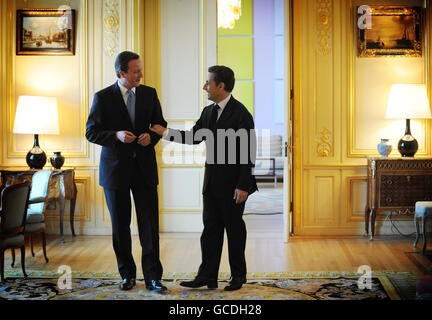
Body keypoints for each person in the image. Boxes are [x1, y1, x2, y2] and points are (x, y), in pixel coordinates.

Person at [151, 65, 257, 291]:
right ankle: (207, 276)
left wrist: (243, 185)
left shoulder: (241, 114)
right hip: (211, 183)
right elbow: (193, 138)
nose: (204, 87)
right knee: (210, 231)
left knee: (234, 230)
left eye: (208, 83)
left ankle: (238, 276)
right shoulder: (208, 112)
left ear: (221, 86)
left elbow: (249, 152)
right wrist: (165, 132)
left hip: (234, 185)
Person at [86, 51, 167, 292]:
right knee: (120, 227)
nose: (141, 74)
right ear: (122, 73)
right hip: (115, 172)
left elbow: (161, 124)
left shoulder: (149, 94)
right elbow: (91, 132)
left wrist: (150, 137)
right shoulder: (102, 97)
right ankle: (127, 276)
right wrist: (115, 136)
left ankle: (153, 277)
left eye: (140, 69)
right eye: (136, 71)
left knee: (149, 226)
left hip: (144, 170)